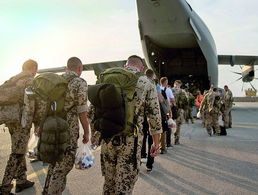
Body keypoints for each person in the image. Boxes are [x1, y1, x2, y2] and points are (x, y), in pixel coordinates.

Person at [92, 55, 162, 194]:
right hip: (131, 139)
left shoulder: (107, 78)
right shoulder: (146, 82)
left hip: (108, 136)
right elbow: (154, 117)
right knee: (124, 185)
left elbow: (93, 109)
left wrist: (94, 133)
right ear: (141, 68)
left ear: (125, 65)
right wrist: (156, 143)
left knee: (109, 182)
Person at [22, 57, 90, 194]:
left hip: (48, 127)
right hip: (67, 130)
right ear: (79, 69)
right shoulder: (79, 82)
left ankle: (47, 191)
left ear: (66, 68)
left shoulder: (54, 80)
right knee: (63, 167)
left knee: (54, 165)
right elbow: (82, 110)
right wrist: (87, 132)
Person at [0, 59, 38, 195]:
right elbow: (31, 104)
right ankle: (4, 187)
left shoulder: (13, 79)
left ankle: (21, 181)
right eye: (36, 70)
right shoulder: (29, 81)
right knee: (16, 154)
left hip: (11, 120)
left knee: (19, 149)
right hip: (21, 121)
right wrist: (33, 123)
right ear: (33, 68)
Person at [172, 80, 187, 145]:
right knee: (178, 125)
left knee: (170, 124)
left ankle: (167, 141)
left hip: (171, 109)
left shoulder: (169, 90)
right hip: (179, 110)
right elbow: (186, 101)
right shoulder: (182, 91)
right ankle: (176, 139)